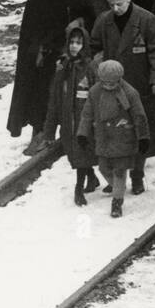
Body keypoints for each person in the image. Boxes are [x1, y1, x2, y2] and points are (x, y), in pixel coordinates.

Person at [7, 0, 90, 153]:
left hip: (74, 50)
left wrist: (79, 22)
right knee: (44, 93)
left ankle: (73, 133)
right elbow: (32, 28)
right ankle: (40, 134)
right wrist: (42, 48)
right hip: (49, 52)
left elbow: (90, 13)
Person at [91, 0, 155, 195]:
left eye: (120, 4)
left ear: (129, 0)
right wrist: (99, 66)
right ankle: (118, 176)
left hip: (139, 84)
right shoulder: (104, 21)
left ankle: (137, 175)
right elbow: (94, 47)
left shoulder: (146, 19)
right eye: (112, 5)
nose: (115, 9)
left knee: (139, 132)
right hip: (113, 86)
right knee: (118, 133)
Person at [76, 60, 150, 219]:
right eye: (105, 83)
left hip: (123, 137)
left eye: (112, 83)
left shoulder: (129, 93)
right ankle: (117, 187)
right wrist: (82, 133)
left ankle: (117, 202)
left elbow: (139, 116)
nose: (109, 86)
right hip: (103, 138)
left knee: (119, 171)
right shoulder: (95, 92)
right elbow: (87, 114)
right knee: (103, 168)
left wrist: (143, 137)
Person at [42, 20, 99, 206]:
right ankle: (92, 177)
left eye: (79, 43)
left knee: (81, 153)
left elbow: (97, 95)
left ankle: (78, 189)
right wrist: (49, 131)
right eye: (72, 42)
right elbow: (54, 99)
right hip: (68, 121)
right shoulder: (63, 67)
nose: (74, 46)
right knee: (74, 154)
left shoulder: (90, 68)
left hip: (84, 121)